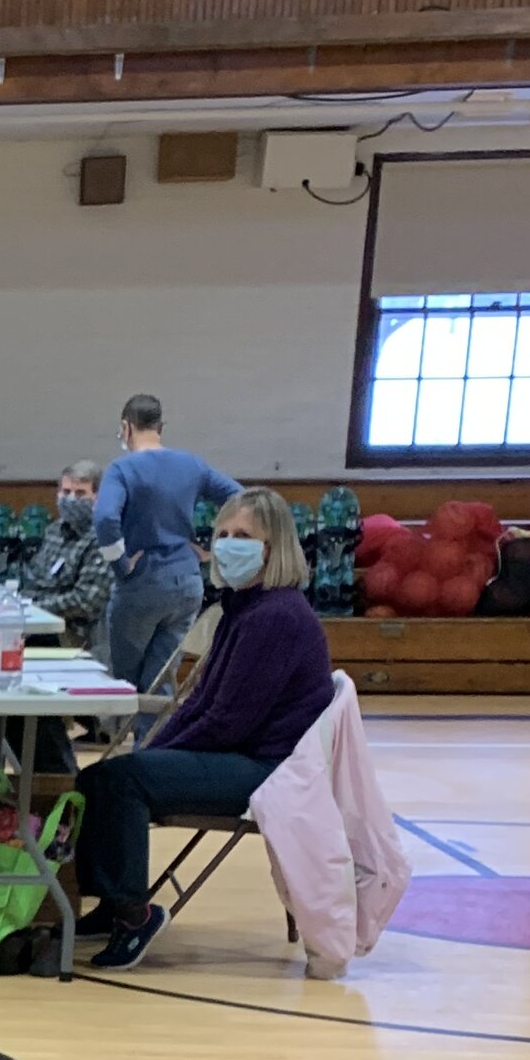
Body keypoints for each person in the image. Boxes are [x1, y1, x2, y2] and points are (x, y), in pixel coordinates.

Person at [75, 486, 334, 971]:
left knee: (120, 780)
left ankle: (136, 915)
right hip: (244, 755)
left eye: (243, 536)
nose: (228, 544)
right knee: (97, 777)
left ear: (273, 548)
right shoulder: (246, 606)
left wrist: (151, 755)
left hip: (267, 770)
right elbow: (200, 705)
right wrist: (156, 747)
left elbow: (227, 722)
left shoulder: (274, 617)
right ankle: (112, 901)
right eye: (223, 534)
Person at [93, 396, 241, 697]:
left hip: (142, 581)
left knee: (127, 681)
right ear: (161, 427)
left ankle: (131, 740)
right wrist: (215, 547)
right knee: (162, 676)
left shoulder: (122, 469)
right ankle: (156, 740)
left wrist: (120, 564)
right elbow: (240, 497)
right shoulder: (191, 464)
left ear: (126, 426)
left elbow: (106, 517)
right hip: (187, 580)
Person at [33, 459, 111, 644]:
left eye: (80, 493)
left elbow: (86, 601)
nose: (71, 500)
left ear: (98, 497)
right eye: (66, 492)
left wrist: (37, 607)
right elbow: (34, 579)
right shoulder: (54, 531)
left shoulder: (105, 538)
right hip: (39, 624)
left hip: (77, 635)